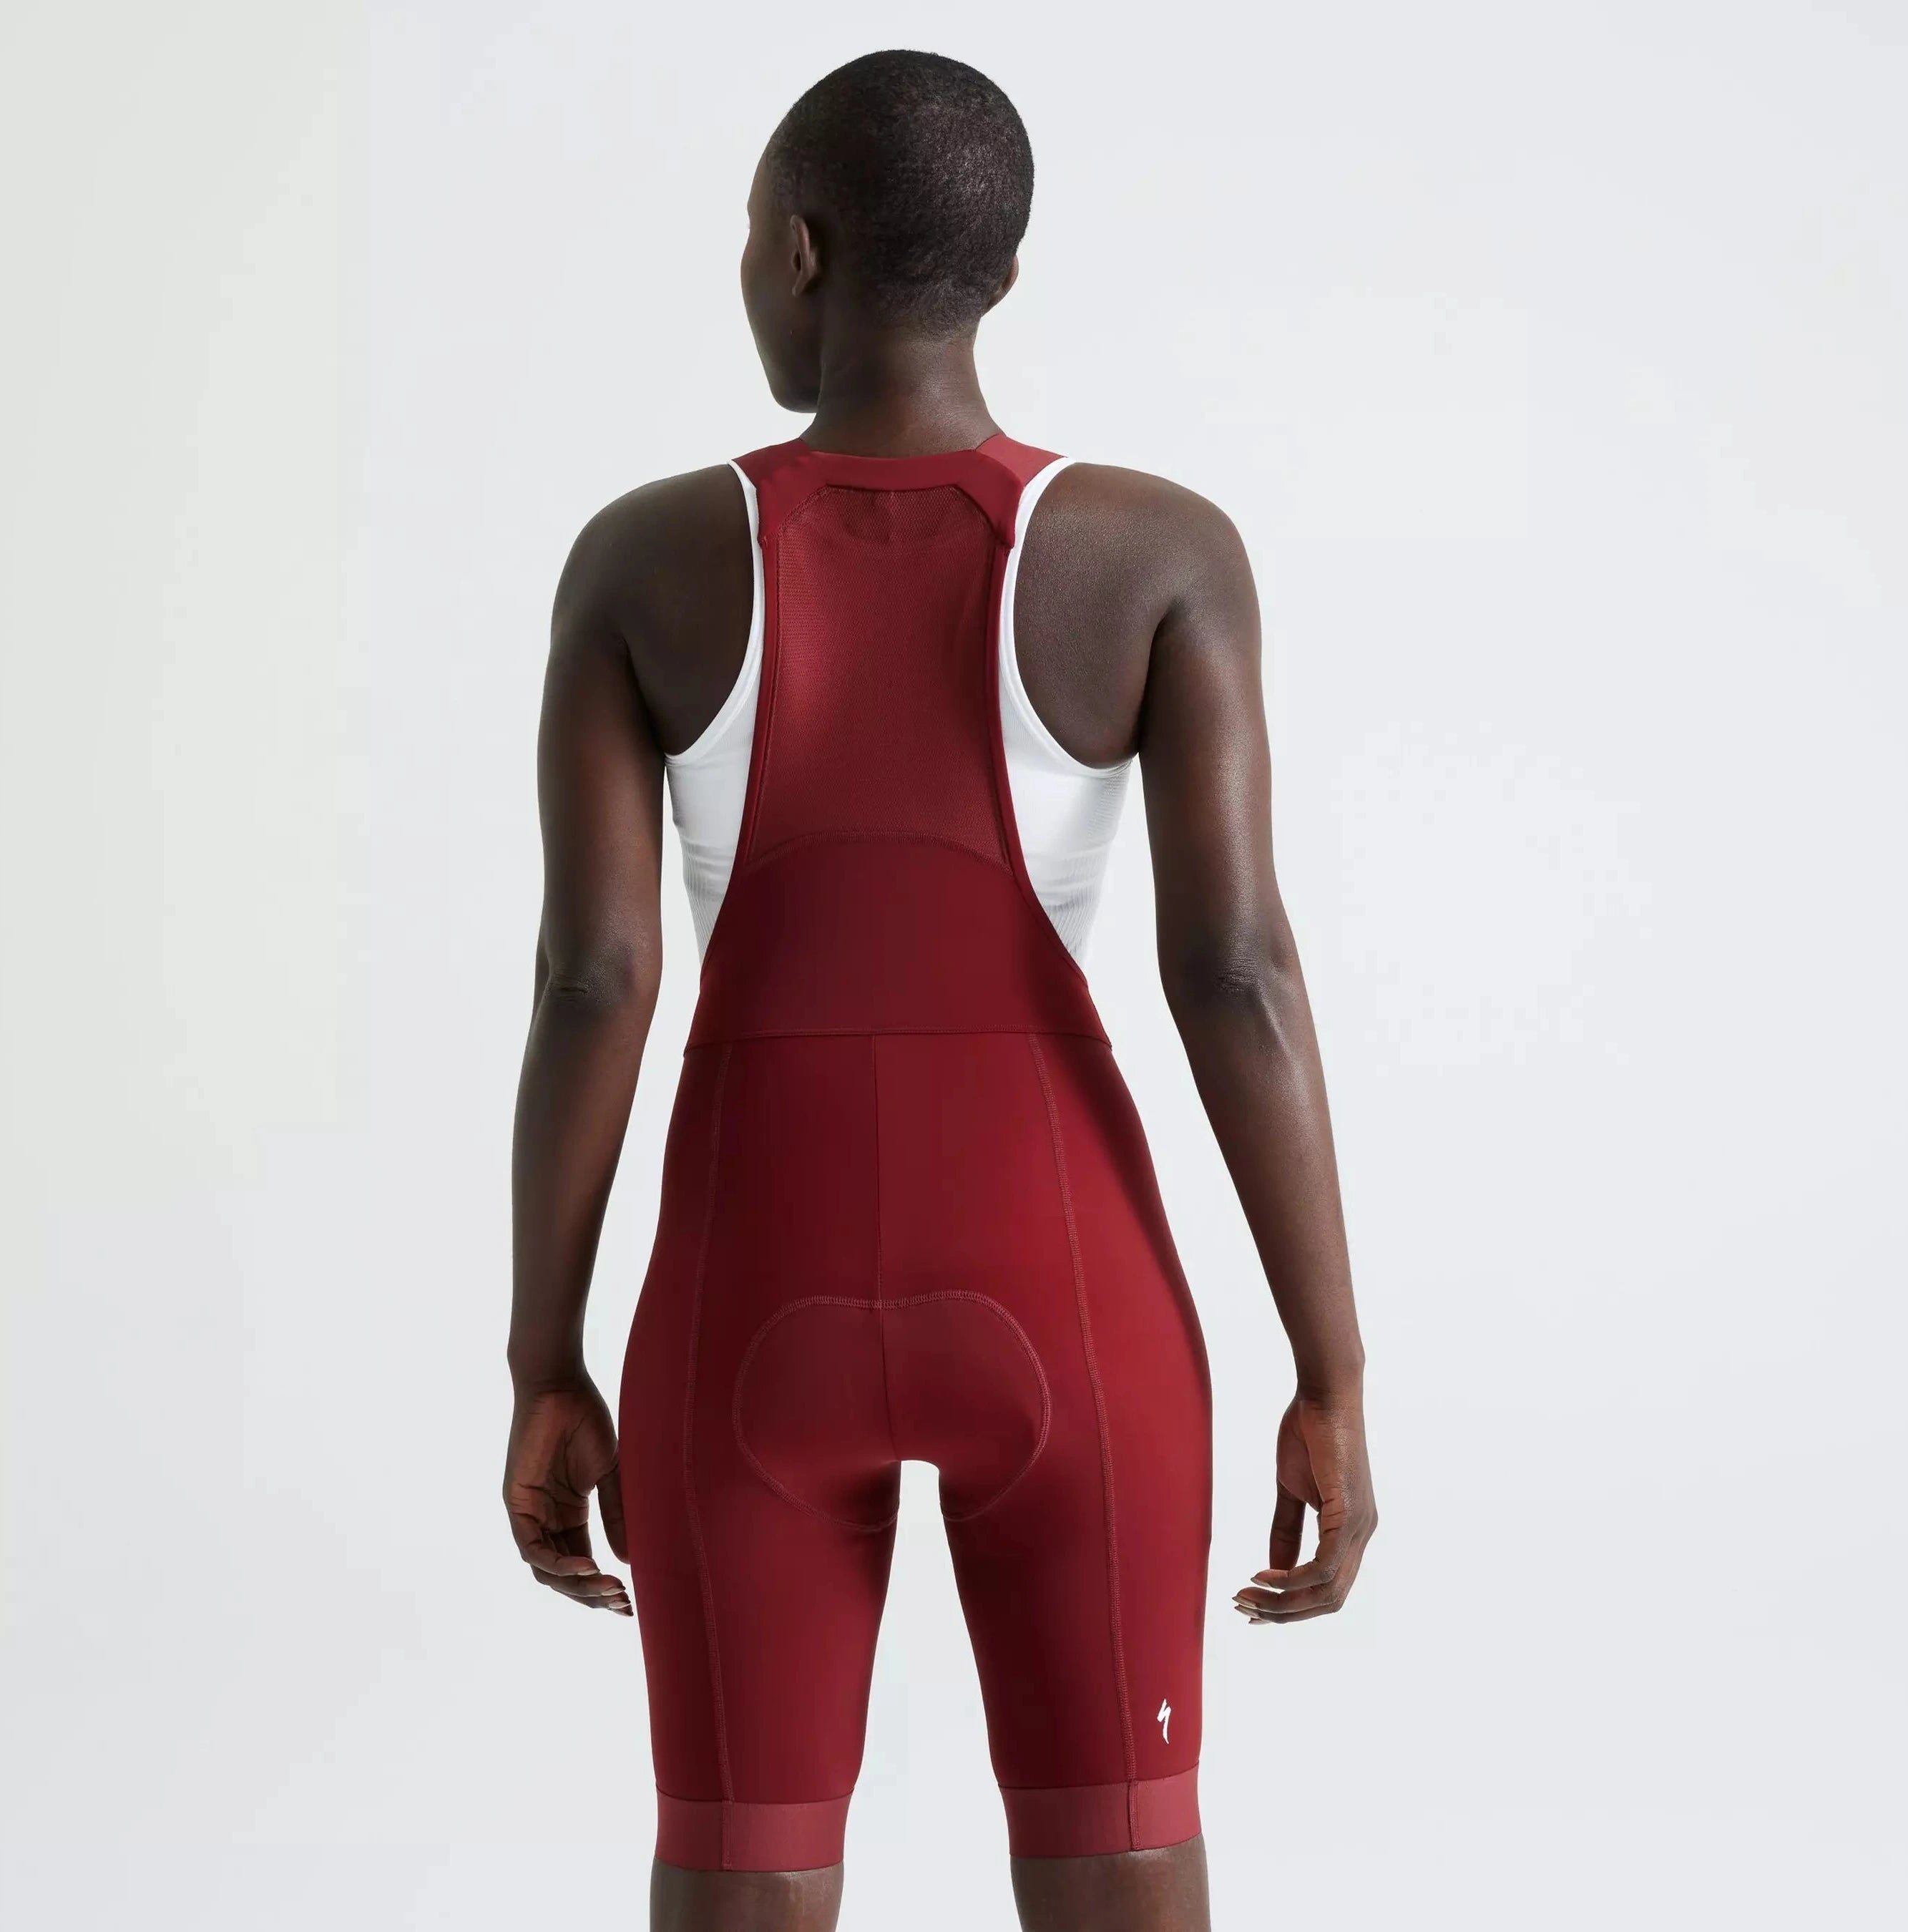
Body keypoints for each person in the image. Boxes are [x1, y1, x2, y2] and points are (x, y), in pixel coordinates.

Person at [503, 48, 1374, 1932]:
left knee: (737, 1859)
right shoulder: (1157, 552)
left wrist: (541, 1358)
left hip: (745, 1289)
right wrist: (1333, 1368)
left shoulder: (643, 559)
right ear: (998, 265)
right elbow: (1233, 972)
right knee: (1122, 1843)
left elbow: (594, 978)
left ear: (800, 251)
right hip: (1069, 1293)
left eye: (750, 230)